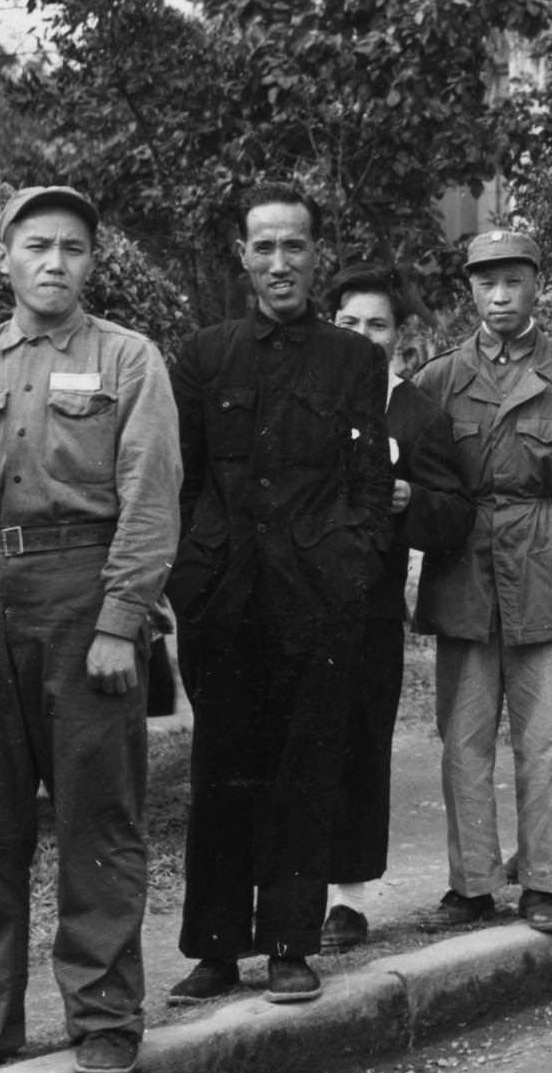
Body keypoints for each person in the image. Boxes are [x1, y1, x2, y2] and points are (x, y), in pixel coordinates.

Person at [0, 187, 181, 1073]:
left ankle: (103, 1014)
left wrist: (118, 624)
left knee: (100, 818)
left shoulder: (127, 359)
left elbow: (150, 501)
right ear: (3, 258)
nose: (53, 263)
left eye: (72, 248)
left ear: (92, 263)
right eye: (35, 246)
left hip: (84, 590)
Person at [167, 185, 392, 1006]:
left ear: (315, 253)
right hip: (223, 599)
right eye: (263, 247)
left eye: (293, 246)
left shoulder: (354, 360)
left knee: (305, 772)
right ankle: (218, 949)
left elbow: (370, 485)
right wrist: (192, 573)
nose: (279, 263)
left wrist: (351, 565)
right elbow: (184, 480)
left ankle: (292, 945)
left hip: (317, 598)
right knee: (223, 768)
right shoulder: (202, 356)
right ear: (241, 255)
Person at [414, 229, 552, 935]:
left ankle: (543, 881)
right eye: (485, 283)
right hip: (466, 572)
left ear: (539, 285)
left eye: (512, 281)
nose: (499, 296)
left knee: (543, 740)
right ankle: (471, 883)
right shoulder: (438, 380)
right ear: (469, 291)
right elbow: (424, 481)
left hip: (548, 569)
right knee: (464, 738)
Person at [321, 266, 472, 951]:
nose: (360, 335)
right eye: (348, 322)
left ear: (398, 339)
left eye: (375, 324)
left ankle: (347, 900)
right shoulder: (300, 395)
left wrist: (415, 501)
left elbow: (453, 514)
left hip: (368, 607)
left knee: (355, 748)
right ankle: (286, 890)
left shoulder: (416, 413)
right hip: (289, 604)